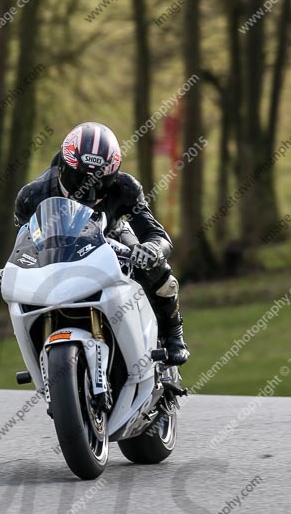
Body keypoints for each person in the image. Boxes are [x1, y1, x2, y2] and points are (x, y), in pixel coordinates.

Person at [13, 121, 190, 365]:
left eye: (100, 181)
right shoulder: (32, 195)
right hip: (56, 250)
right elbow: (23, 243)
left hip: (112, 237)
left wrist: (152, 249)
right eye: (80, 178)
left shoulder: (126, 187)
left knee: (155, 266)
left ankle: (174, 334)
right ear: (64, 166)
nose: (88, 189)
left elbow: (156, 234)